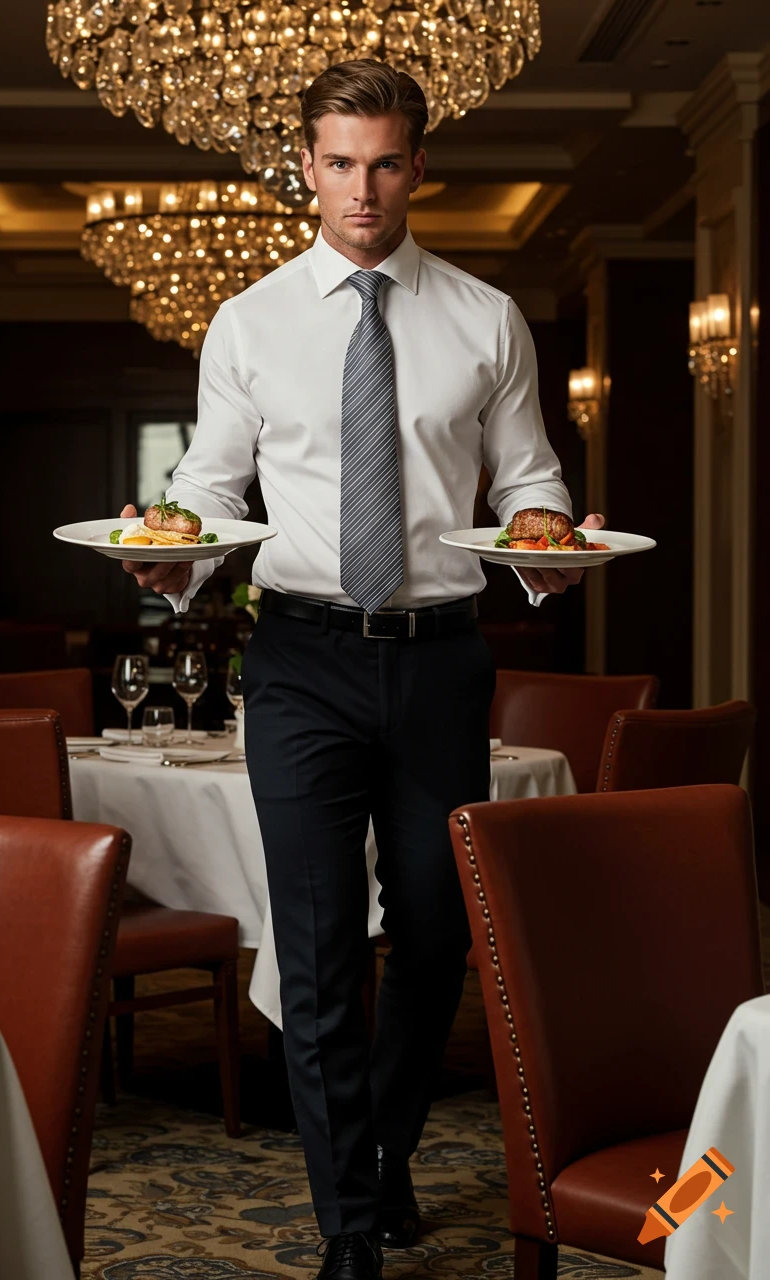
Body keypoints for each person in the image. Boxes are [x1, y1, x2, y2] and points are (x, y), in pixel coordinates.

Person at [120, 59, 602, 1280]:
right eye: (338, 163)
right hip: (298, 657)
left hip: (440, 660)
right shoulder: (249, 321)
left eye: (384, 163)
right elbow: (208, 486)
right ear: (306, 167)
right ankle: (347, 1223)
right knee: (320, 941)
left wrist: (549, 545)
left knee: (434, 934)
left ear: (418, 167)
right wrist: (170, 556)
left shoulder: (485, 318)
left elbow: (529, 478)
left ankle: (385, 1149)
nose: (362, 189)